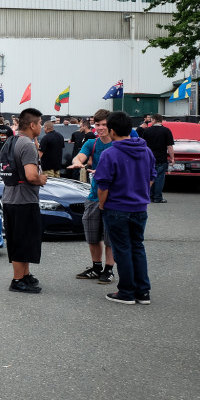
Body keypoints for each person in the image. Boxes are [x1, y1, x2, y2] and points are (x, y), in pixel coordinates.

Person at [95, 111, 156, 305]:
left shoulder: (110, 153)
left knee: (122, 248)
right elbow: (152, 178)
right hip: (139, 207)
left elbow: (103, 185)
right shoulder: (146, 151)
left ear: (112, 130)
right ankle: (143, 291)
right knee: (137, 247)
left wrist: (102, 205)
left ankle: (127, 291)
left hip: (117, 207)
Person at [68, 109, 117, 284]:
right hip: (94, 196)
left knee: (109, 236)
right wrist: (77, 163)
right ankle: (96, 267)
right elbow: (79, 157)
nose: (101, 128)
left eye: (104, 124)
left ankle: (109, 270)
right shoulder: (92, 143)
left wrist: (104, 171)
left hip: (113, 197)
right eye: (98, 125)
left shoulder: (118, 144)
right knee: (92, 234)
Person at [1, 108, 46, 293]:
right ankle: (17, 280)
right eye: (40, 123)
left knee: (22, 239)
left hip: (10, 197)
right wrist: (41, 179)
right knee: (22, 240)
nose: (42, 127)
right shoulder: (27, 144)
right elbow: (31, 176)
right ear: (33, 125)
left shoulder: (11, 141)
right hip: (24, 200)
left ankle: (25, 275)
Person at [139, 113, 175, 203]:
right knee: (159, 178)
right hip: (161, 158)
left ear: (154, 120)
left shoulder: (147, 131)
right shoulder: (166, 131)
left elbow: (143, 146)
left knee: (149, 177)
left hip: (149, 158)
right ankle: (158, 197)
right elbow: (169, 146)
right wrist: (172, 158)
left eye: (151, 120)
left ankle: (150, 196)